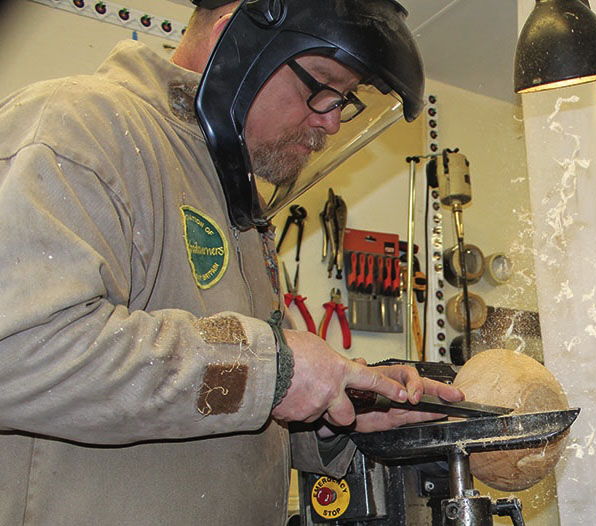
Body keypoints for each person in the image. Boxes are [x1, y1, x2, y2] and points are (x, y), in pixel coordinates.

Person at [0, 0, 463, 524]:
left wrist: (342, 409)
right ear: (235, 43)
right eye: (321, 86)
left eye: (345, 100)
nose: (331, 121)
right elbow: (18, 352)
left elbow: (228, 407)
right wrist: (275, 370)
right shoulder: (81, 127)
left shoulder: (230, 192)